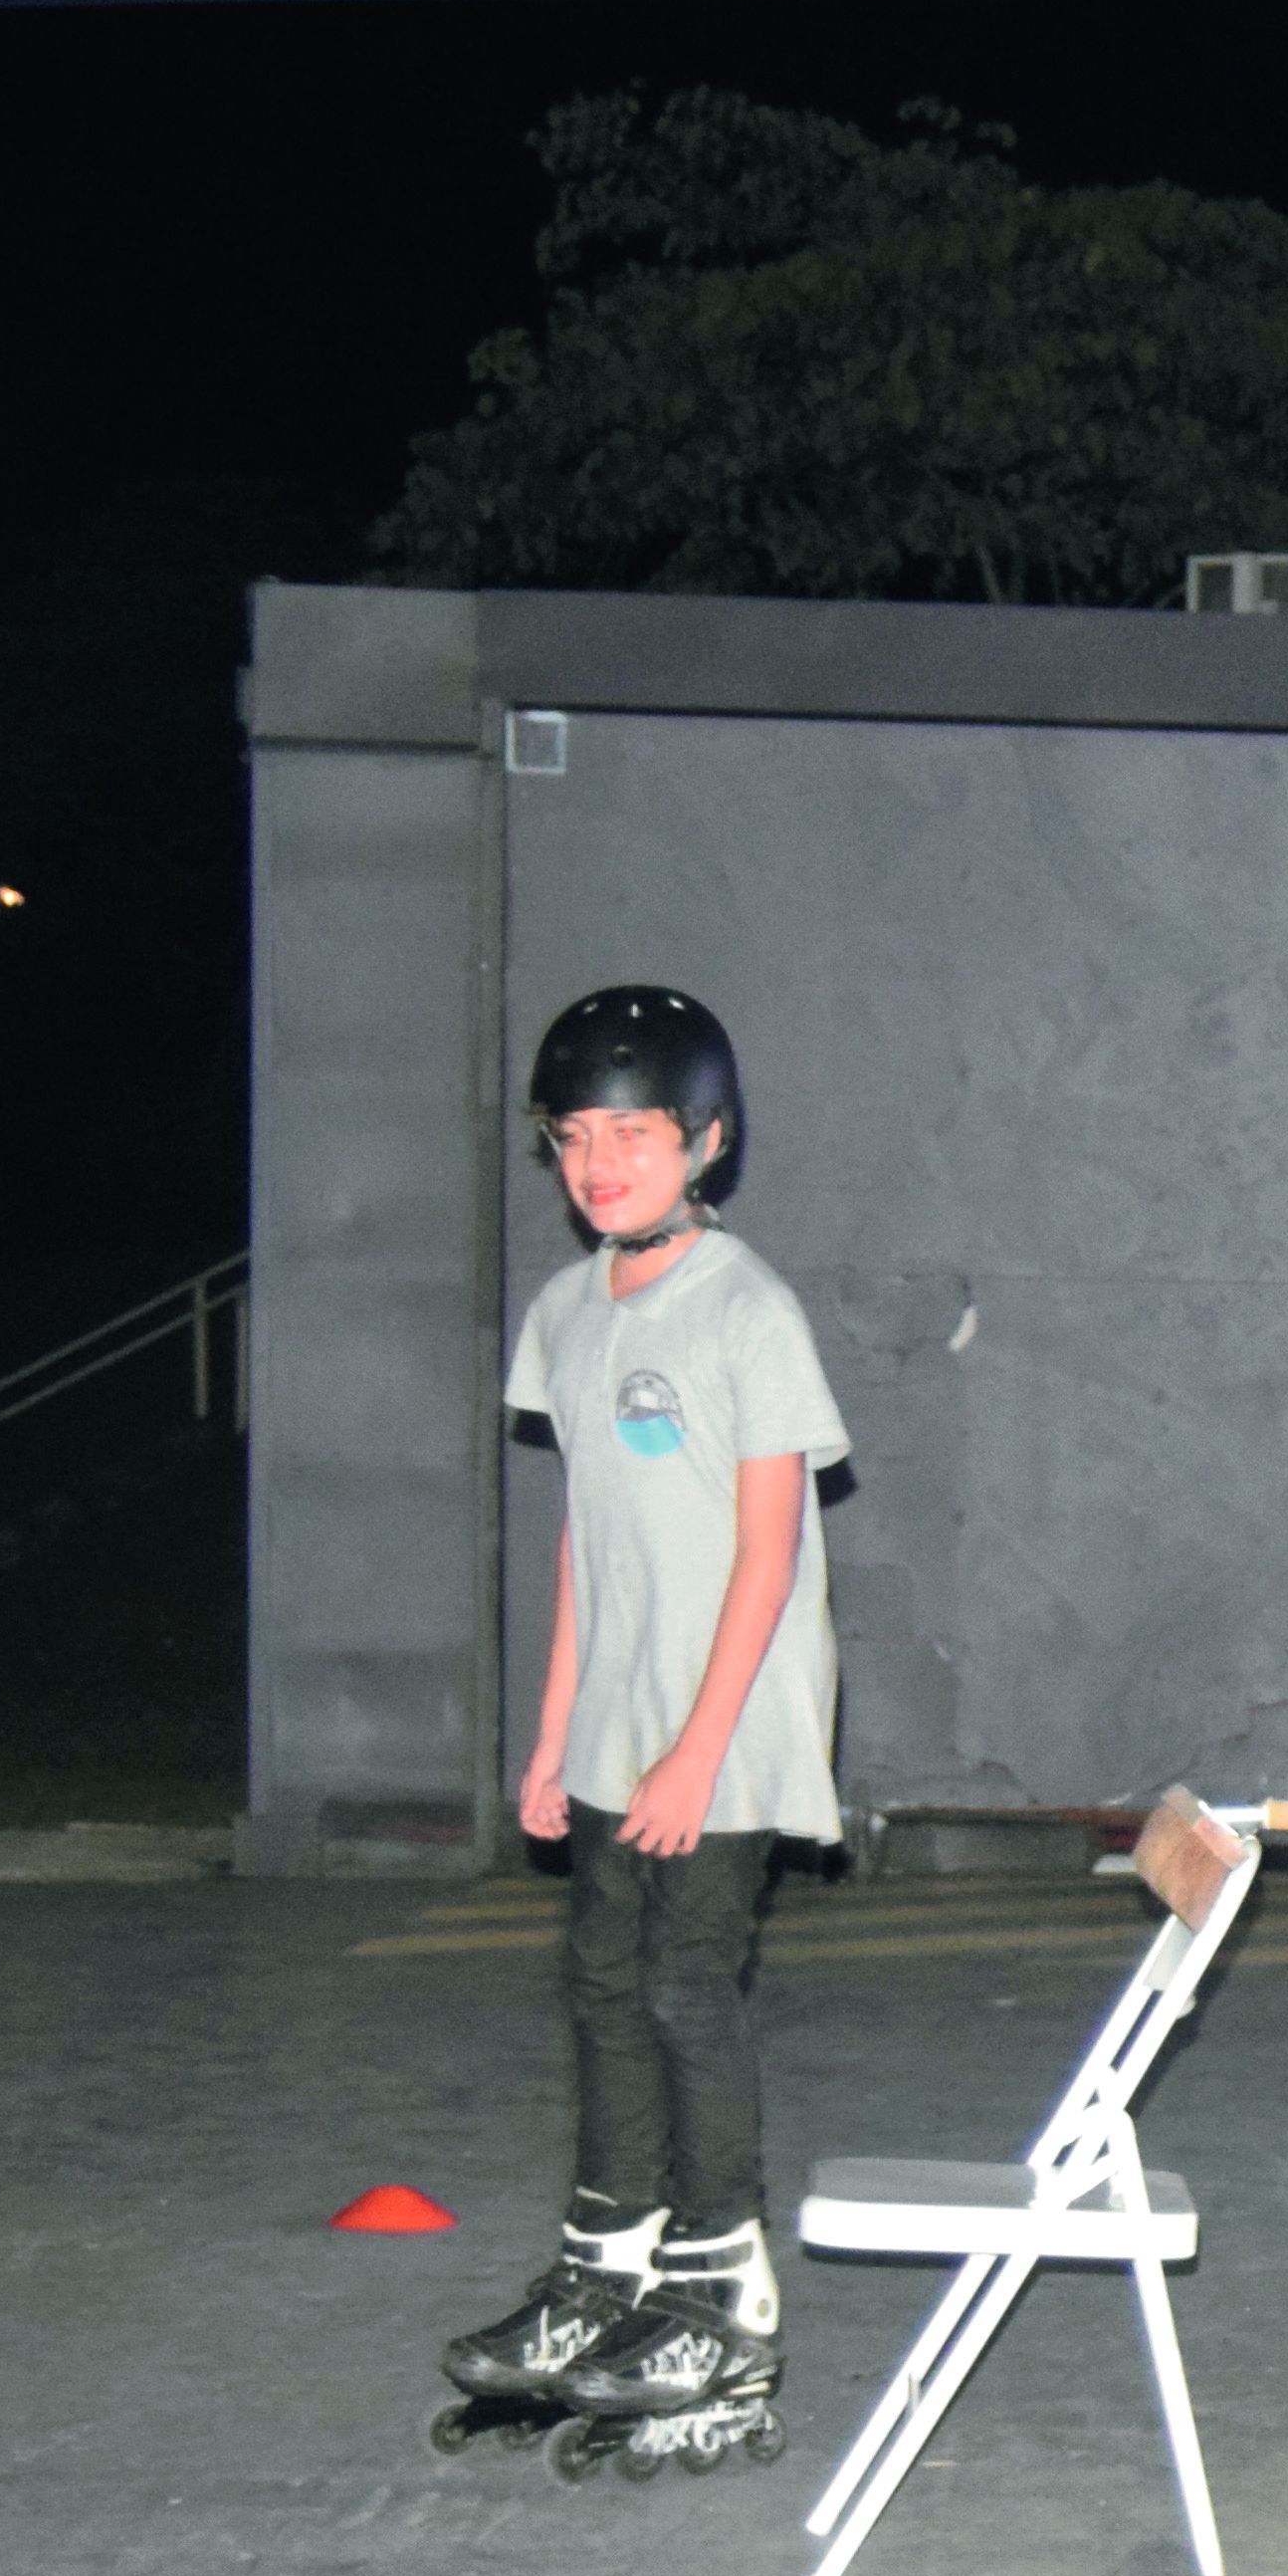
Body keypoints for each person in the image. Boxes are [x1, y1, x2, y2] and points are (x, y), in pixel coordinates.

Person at [436, 984, 854, 2475]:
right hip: (617, 1718)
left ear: (707, 1142)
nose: (602, 1162)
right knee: (600, 1982)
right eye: (574, 1137)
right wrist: (554, 1737)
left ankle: (721, 2306)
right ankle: (601, 2275)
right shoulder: (564, 1315)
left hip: (726, 1726)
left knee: (687, 1987)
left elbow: (769, 1552)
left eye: (635, 1132)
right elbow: (582, 1546)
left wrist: (691, 1750)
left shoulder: (748, 1309)